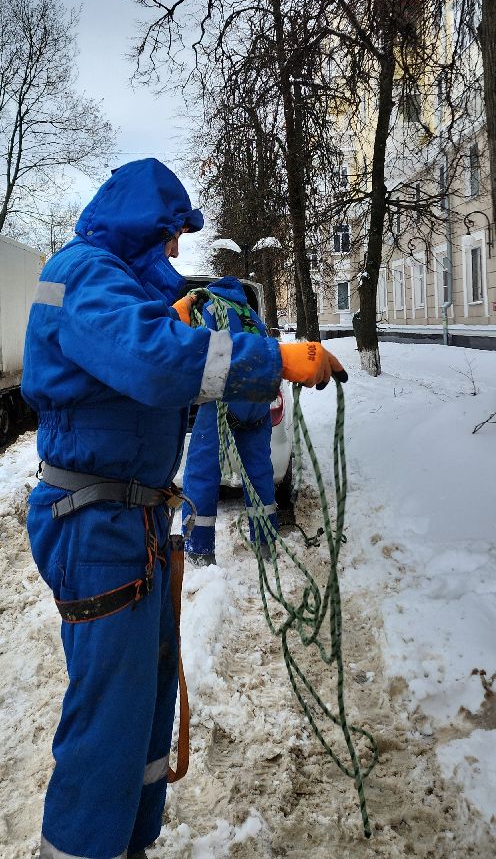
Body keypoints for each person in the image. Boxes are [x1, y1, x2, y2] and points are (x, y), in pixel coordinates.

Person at [21, 158, 341, 859]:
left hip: (125, 520)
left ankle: (126, 844)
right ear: (142, 220)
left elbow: (141, 360)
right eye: (170, 234)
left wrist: (173, 320)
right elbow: (158, 364)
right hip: (94, 522)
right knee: (109, 717)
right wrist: (273, 360)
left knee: (141, 706)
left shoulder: (106, 278)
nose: (174, 251)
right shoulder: (83, 273)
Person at [182, 276, 280, 564]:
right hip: (257, 401)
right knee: (258, 471)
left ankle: (198, 550)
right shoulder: (251, 315)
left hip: (224, 399)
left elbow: (194, 353)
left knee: (201, 472)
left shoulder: (210, 309)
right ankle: (265, 544)